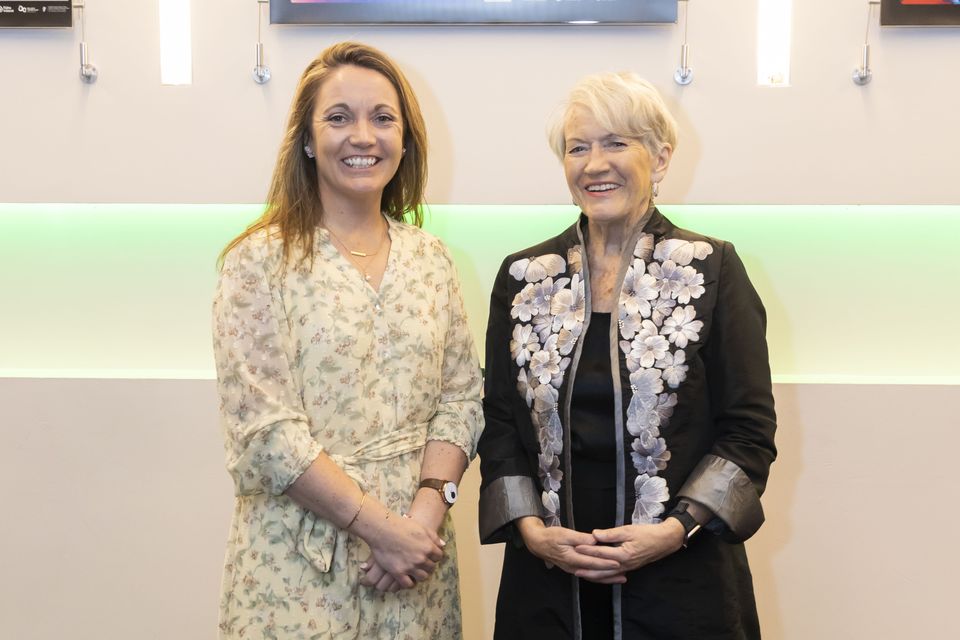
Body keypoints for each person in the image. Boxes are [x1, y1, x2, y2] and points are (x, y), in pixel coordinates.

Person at [478, 71, 777, 639]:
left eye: (617, 142)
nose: (595, 164)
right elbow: (497, 422)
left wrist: (678, 528)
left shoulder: (712, 270)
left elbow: (749, 430)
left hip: (680, 582)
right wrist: (529, 527)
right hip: (546, 582)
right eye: (578, 147)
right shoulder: (523, 278)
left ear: (660, 160)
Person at [213, 42, 483, 639]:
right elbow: (265, 430)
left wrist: (424, 517)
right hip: (297, 565)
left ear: (405, 139)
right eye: (338, 118)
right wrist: (379, 529)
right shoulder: (258, 261)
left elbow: (462, 399)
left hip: (417, 563)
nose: (363, 135)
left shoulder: (433, 259)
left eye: (382, 118)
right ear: (307, 140)